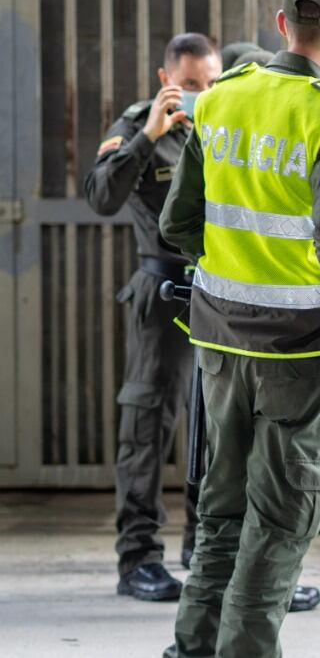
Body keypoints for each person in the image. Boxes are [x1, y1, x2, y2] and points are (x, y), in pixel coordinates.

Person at [159, 0, 320, 658]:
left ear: (284, 24)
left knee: (222, 509)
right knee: (281, 518)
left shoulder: (222, 97)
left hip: (222, 343)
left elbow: (178, 224)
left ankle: (192, 646)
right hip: (303, 351)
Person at [86, 33, 220, 602]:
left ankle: (203, 544)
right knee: (147, 427)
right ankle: (137, 558)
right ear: (164, 77)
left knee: (213, 427)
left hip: (217, 294)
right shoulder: (139, 124)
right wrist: (148, 136)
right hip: (161, 291)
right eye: (189, 85)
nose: (199, 95)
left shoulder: (225, 129)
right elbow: (101, 196)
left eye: (209, 84)